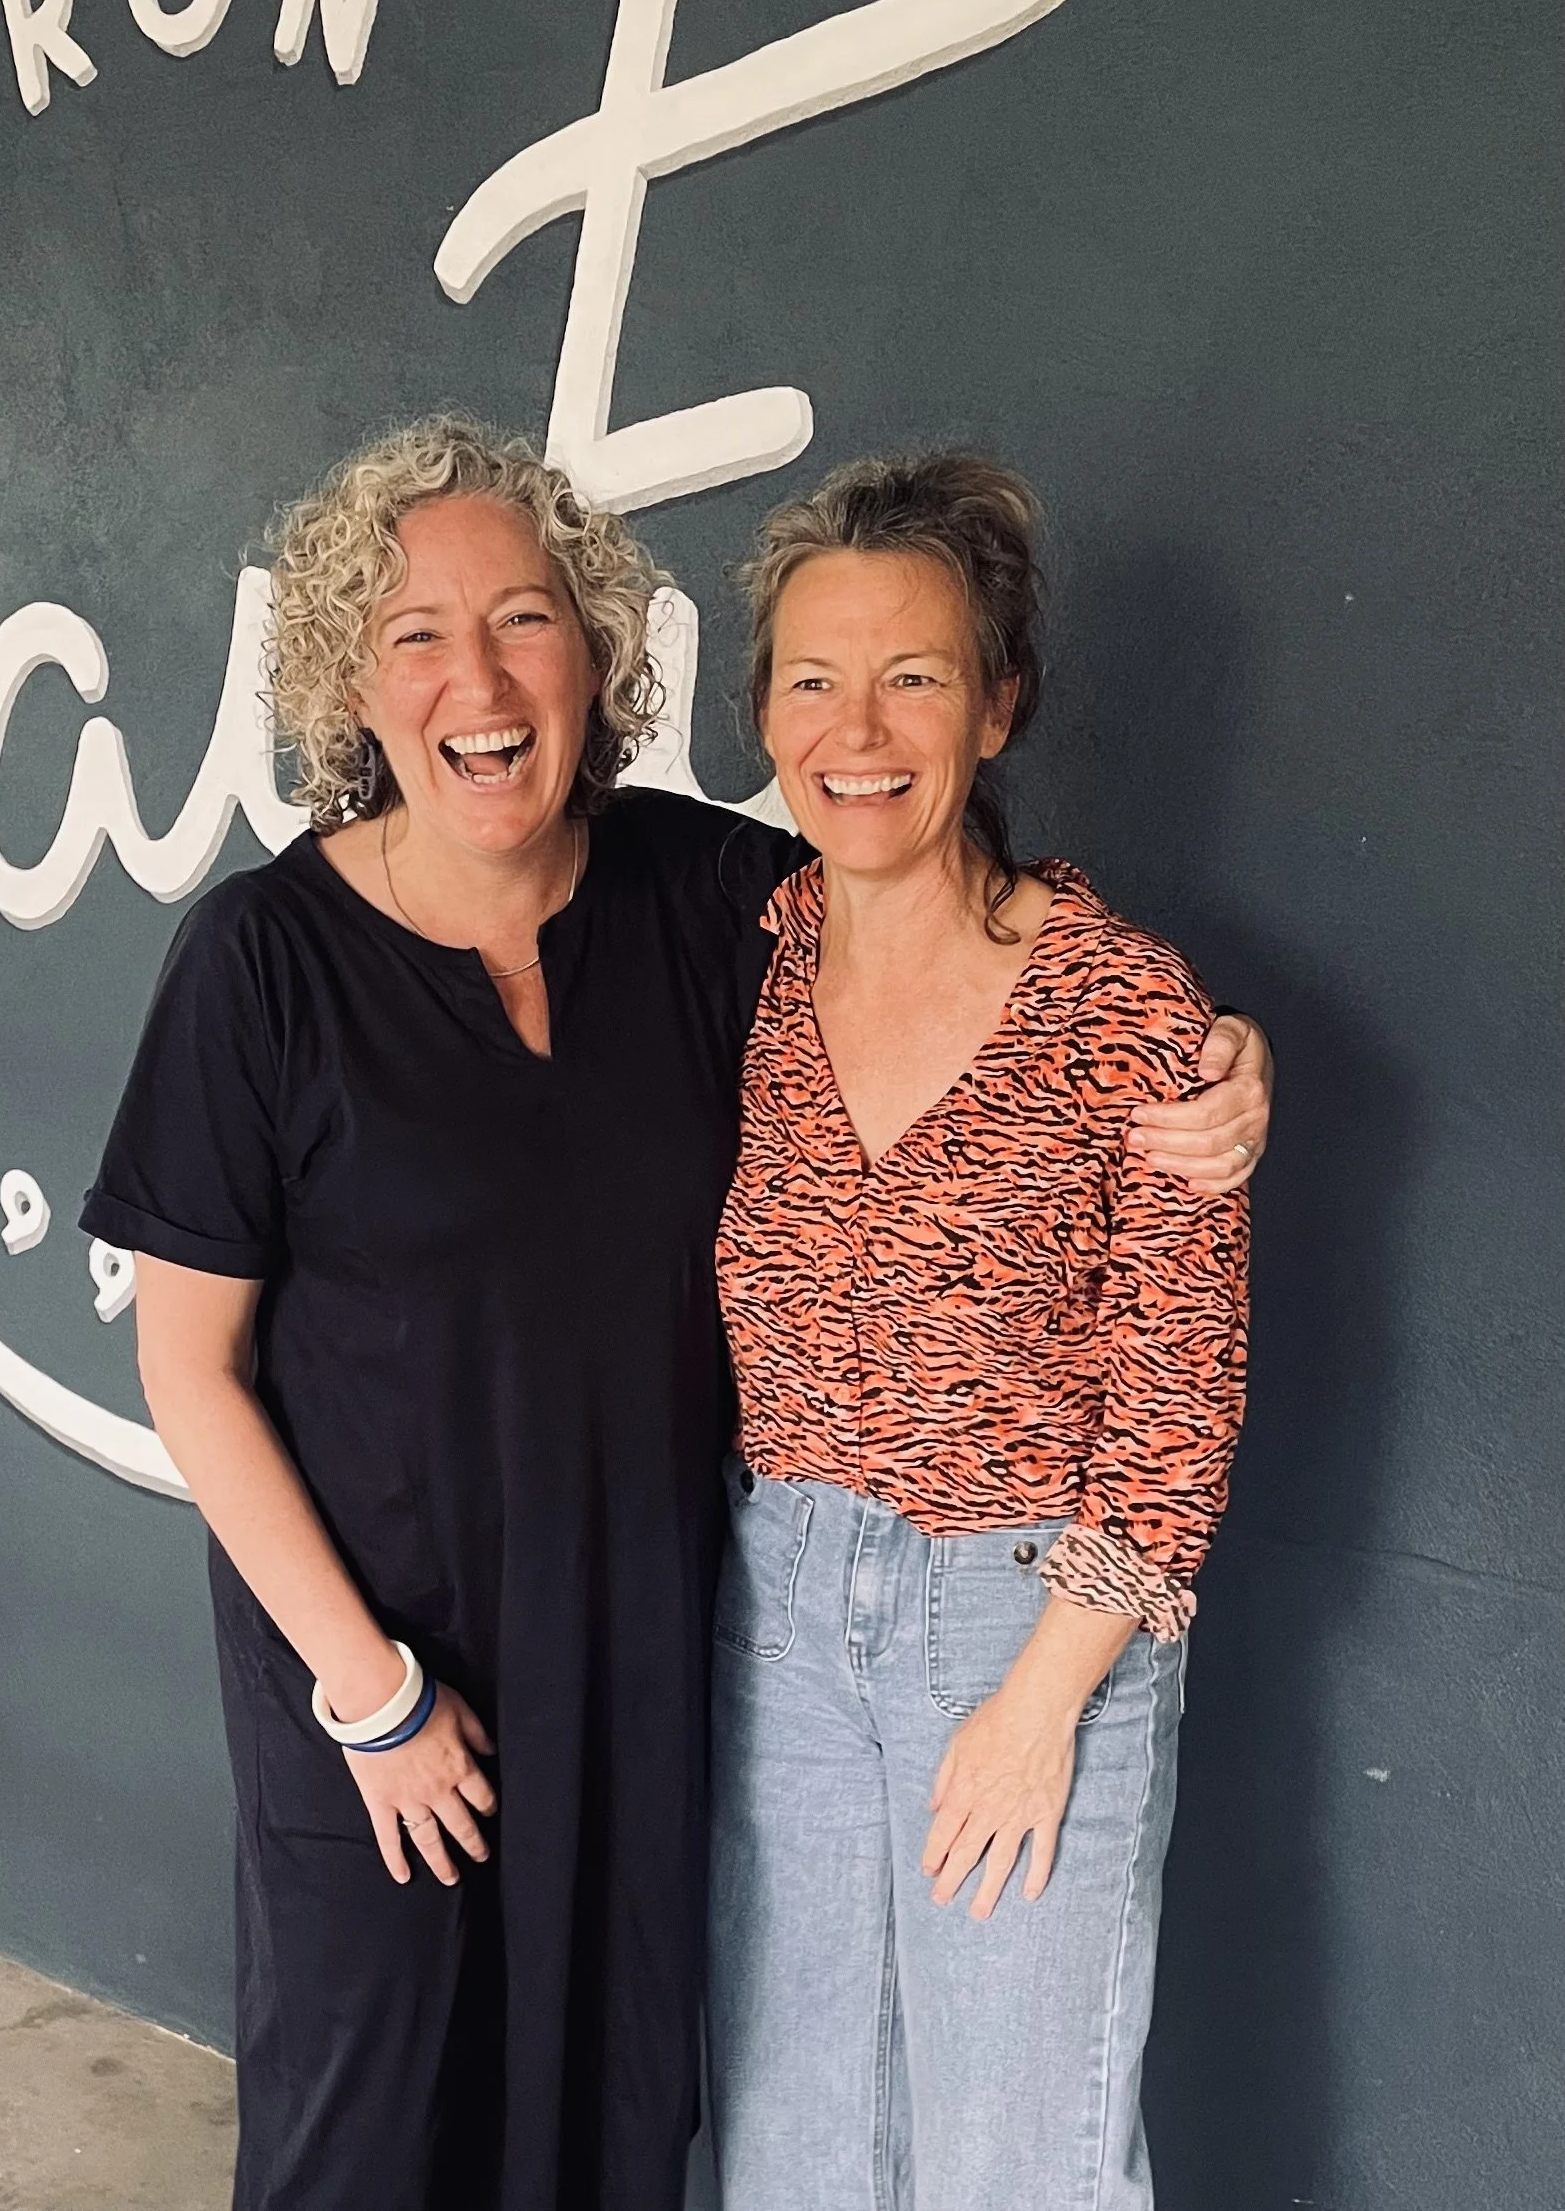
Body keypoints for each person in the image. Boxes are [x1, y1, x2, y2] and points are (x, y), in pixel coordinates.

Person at [77, 419, 1267, 2211]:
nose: (479, 681)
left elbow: (1151, 1332)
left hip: (681, 1658)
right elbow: (189, 1366)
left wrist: (1217, 1064)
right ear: (349, 681)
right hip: (443, 1668)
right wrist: (370, 1696)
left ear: (595, 655)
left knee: (658, 2127)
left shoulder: (711, 903)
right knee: (392, 2137)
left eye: (525, 621)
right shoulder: (293, 959)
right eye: (415, 633)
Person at [705, 454, 1253, 2211]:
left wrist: (1038, 1707)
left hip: (1025, 1617)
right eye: (812, 679)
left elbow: (1173, 1407)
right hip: (779, 1609)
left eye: (914, 677)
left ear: (996, 706)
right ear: (764, 715)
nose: (856, 730)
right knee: (792, 2151)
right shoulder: (740, 964)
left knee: (1015, 2167)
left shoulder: (1120, 1005)